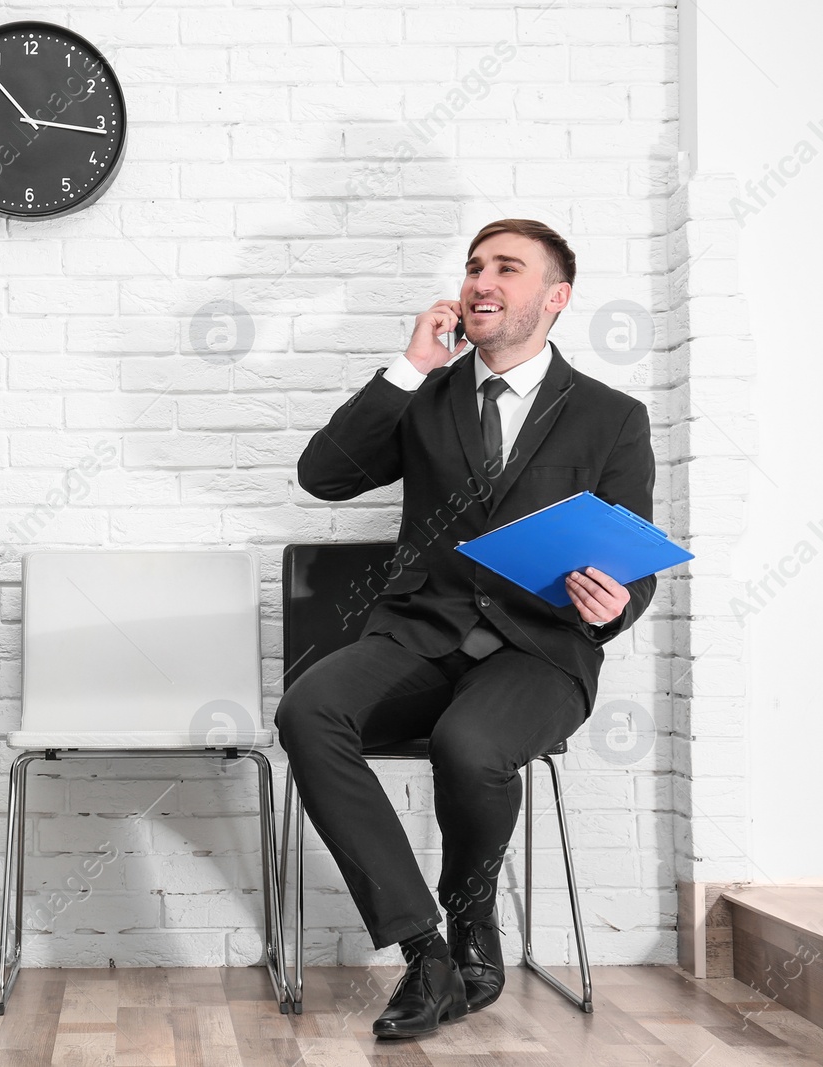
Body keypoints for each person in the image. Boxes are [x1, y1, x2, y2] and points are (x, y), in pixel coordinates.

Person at [277, 219, 655, 1039]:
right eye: (475, 266)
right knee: (308, 710)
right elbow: (324, 475)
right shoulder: (429, 393)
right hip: (422, 633)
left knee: (470, 743)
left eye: (506, 268)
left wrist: (616, 602)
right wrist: (411, 366)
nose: (482, 280)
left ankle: (472, 917)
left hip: (539, 653)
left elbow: (637, 561)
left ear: (554, 299)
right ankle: (427, 951)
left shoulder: (611, 417)